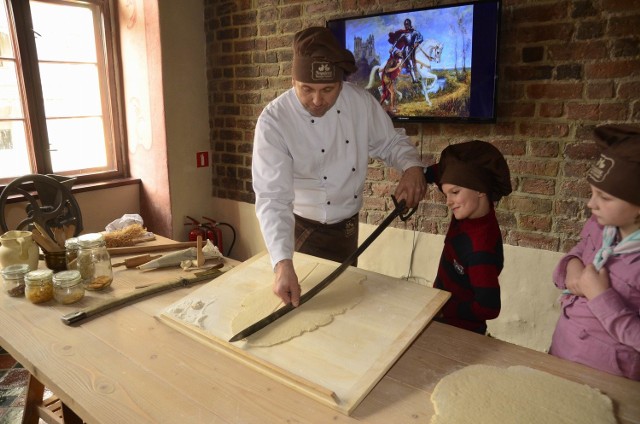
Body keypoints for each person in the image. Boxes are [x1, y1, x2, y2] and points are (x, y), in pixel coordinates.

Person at [252, 27, 427, 307]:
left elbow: (391, 142)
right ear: (292, 80)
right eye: (306, 89)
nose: (317, 101)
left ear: (341, 84)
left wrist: (412, 167)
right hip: (301, 231)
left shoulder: (359, 103)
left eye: (328, 90)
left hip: (347, 229)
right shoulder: (274, 121)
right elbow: (272, 198)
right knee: (303, 310)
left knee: (345, 306)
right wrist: (282, 263)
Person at [549, 124, 640, 380]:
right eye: (592, 193)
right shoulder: (601, 224)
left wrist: (600, 297)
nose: (591, 204)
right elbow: (580, 249)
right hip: (562, 352)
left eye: (605, 197)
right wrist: (572, 266)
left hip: (607, 375)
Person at [424, 140, 512, 334]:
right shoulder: (470, 208)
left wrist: (444, 309)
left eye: (454, 193)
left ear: (480, 189)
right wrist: (422, 175)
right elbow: (445, 172)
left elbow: (489, 307)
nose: (448, 201)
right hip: (440, 315)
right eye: (446, 193)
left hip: (460, 332)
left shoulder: (479, 249)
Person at [388, 18, 423, 83]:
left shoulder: (415, 32)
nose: (406, 26)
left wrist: (417, 43)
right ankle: (414, 80)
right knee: (411, 64)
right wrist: (392, 48)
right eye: (405, 25)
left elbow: (421, 37)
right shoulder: (403, 34)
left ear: (410, 24)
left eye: (407, 24)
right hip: (407, 50)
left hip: (413, 47)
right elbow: (396, 41)